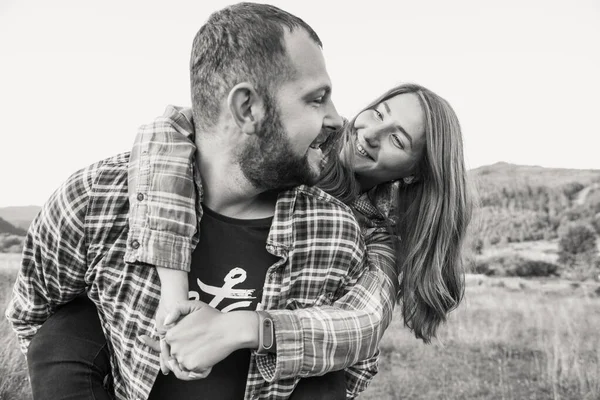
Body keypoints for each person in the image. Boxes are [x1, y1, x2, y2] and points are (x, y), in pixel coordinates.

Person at [6, 3, 396, 400]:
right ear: (247, 108)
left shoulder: (335, 231)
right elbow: (34, 318)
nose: (338, 119)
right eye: (316, 99)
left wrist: (260, 332)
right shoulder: (96, 198)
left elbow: (357, 360)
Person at [130, 81, 473, 386]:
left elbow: (364, 322)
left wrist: (244, 328)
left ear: (413, 173)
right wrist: (173, 293)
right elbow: (169, 127)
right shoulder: (301, 140)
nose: (370, 133)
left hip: (253, 375)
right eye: (378, 113)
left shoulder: (375, 237)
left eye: (397, 139)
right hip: (160, 325)